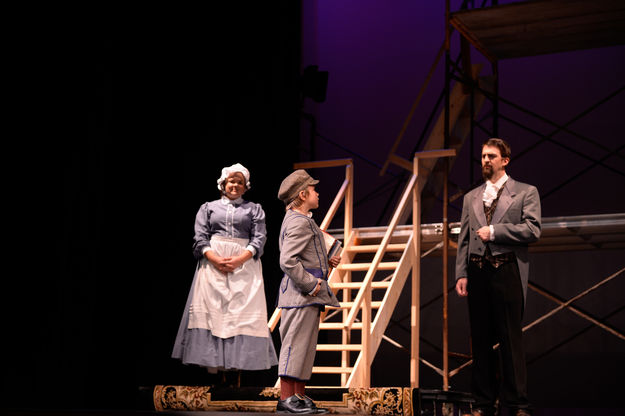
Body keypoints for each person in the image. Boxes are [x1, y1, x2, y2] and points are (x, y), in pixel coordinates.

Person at [455, 138, 541, 416]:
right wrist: (461, 274)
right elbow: (465, 239)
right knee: (480, 340)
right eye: (482, 156)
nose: (485, 160)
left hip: (506, 269)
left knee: (509, 339)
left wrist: (495, 232)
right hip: (478, 271)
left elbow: (532, 230)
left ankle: (517, 404)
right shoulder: (471, 198)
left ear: (505, 160)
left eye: (491, 156)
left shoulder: (526, 192)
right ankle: (483, 403)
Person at [172, 163, 278, 387]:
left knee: (240, 314)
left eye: (240, 182)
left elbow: (259, 237)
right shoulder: (208, 208)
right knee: (215, 312)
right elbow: (200, 237)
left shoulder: (254, 209)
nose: (235, 185)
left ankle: (236, 370)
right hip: (213, 265)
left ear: (245, 186)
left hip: (245, 265)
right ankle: (217, 369)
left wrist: (240, 259)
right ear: (223, 183)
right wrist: (214, 258)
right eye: (232, 181)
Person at [275, 169, 341, 414]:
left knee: (304, 346)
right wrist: (311, 284)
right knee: (293, 345)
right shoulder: (298, 221)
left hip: (307, 296)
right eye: (313, 189)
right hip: (300, 294)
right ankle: (286, 398)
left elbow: (306, 252)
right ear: (303, 194)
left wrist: (326, 258)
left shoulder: (303, 220)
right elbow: (288, 261)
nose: (318, 193)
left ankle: (299, 396)